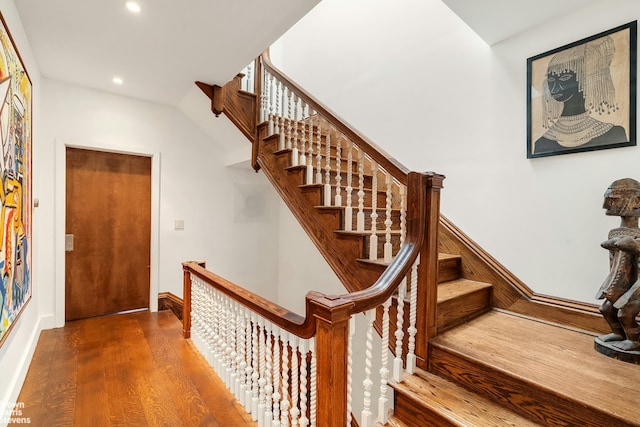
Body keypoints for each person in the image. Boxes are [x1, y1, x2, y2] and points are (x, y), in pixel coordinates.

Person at [534, 36, 627, 155]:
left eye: (564, 77)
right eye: (551, 79)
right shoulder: (542, 142)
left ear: (584, 80)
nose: (555, 87)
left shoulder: (615, 133)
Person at [596, 178, 640, 352]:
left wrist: (632, 245)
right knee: (606, 308)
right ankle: (619, 334)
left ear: (636, 201)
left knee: (625, 312)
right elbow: (617, 262)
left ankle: (635, 341)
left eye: (613, 199)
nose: (606, 206)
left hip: (638, 285)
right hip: (624, 281)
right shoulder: (616, 232)